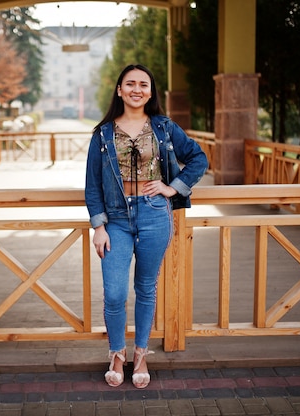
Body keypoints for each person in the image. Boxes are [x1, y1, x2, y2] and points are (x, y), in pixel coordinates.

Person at [85, 64, 208, 389]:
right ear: (120, 90)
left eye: (143, 84)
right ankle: (116, 353)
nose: (136, 89)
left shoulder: (164, 127)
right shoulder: (103, 133)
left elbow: (198, 158)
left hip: (155, 213)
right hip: (116, 219)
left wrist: (173, 187)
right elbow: (92, 185)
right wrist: (98, 225)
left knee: (146, 288)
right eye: (130, 84)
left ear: (150, 92)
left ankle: (140, 354)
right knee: (114, 293)